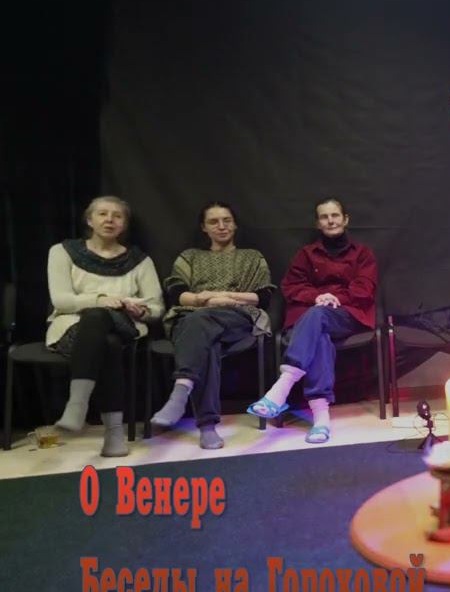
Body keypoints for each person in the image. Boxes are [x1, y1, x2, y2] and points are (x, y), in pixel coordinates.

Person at [247, 198, 378, 443]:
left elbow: (364, 289)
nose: (330, 220)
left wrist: (333, 298)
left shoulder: (362, 254)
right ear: (318, 223)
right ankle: (321, 420)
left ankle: (282, 386)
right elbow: (291, 286)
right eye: (324, 217)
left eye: (335, 215)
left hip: (347, 315)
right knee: (320, 337)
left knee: (318, 316)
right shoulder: (305, 255)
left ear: (345, 219)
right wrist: (317, 297)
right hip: (312, 318)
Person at [42, 196, 165, 457]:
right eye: (102, 214)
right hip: (71, 328)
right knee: (105, 338)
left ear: (124, 224)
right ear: (90, 220)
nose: (109, 220)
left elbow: (156, 308)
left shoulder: (140, 260)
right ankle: (114, 436)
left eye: (117, 216)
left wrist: (141, 311)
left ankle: (77, 405)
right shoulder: (62, 252)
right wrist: (100, 300)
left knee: (102, 323)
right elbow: (61, 300)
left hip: (124, 326)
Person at [149, 202, 275, 450]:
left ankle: (182, 390)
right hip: (192, 317)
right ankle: (207, 426)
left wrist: (221, 298)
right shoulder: (190, 257)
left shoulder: (252, 257)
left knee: (201, 323)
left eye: (227, 220)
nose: (221, 226)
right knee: (207, 340)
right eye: (213, 221)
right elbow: (177, 294)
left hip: (236, 316)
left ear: (235, 225)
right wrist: (202, 300)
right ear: (204, 227)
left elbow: (262, 297)